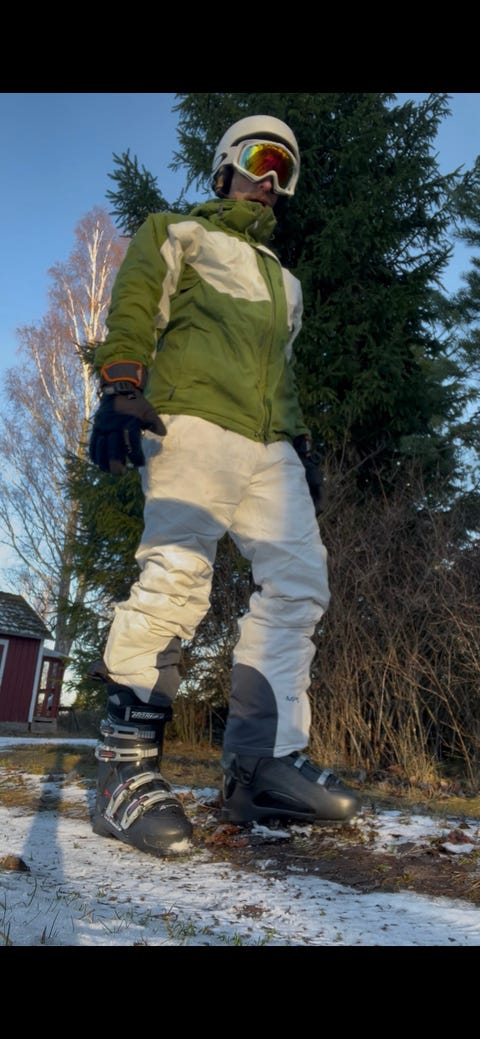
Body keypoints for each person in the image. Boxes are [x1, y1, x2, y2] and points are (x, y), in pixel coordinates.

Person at [88, 114, 361, 858]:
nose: (271, 180)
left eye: (285, 171)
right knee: (177, 574)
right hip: (192, 421)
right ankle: (123, 771)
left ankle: (260, 766)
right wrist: (121, 383)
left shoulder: (286, 283)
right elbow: (136, 303)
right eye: (261, 159)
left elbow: (284, 375)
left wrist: (300, 443)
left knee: (300, 585)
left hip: (270, 445)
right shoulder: (179, 232)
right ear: (225, 164)